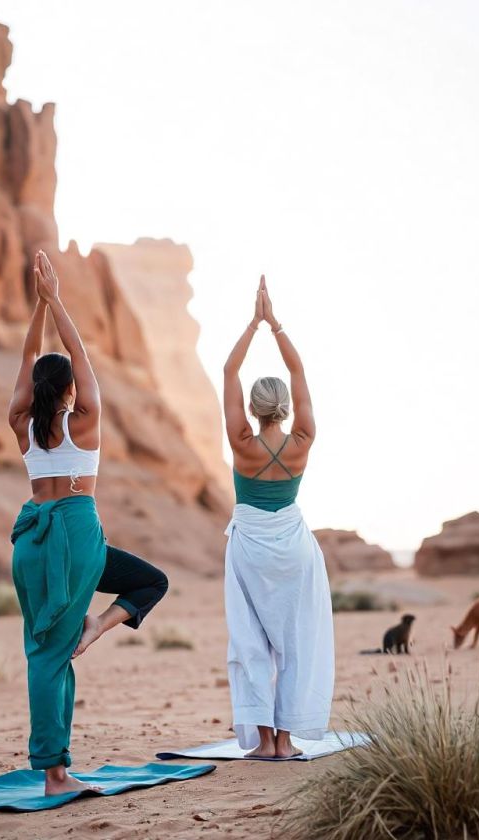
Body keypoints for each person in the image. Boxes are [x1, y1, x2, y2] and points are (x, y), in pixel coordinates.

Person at [8, 251, 168, 794]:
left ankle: (56, 766)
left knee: (44, 649)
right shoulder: (87, 421)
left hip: (31, 537)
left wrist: (38, 310)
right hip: (74, 536)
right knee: (149, 583)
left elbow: (33, 358)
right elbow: (79, 357)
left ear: (34, 391)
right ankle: (55, 773)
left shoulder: (21, 424)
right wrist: (55, 300)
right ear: (71, 389)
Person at [222, 275, 334, 759]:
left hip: (249, 546)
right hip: (292, 546)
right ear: (285, 408)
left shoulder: (242, 443)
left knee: (250, 641)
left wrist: (252, 324)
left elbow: (229, 372)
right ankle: (286, 741)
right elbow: (300, 370)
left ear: (251, 408)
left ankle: (264, 741)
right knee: (296, 641)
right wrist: (276, 325)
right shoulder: (302, 440)